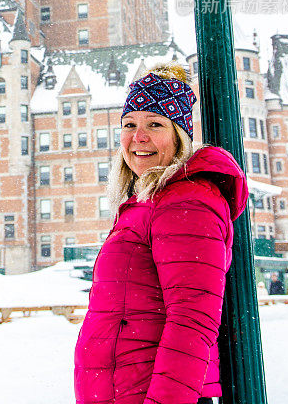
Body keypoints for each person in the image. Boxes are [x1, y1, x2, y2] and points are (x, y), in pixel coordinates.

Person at [75, 64, 248, 404]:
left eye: (155, 124)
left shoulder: (186, 202)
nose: (138, 137)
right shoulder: (147, 203)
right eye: (130, 125)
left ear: (179, 135)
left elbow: (192, 320)